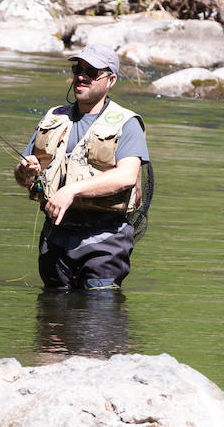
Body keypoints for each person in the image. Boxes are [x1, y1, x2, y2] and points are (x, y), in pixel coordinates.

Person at [13, 44, 151, 291]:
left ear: (111, 80)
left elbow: (127, 176)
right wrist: (24, 171)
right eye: (79, 69)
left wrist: (72, 190)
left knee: (98, 320)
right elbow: (22, 176)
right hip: (54, 239)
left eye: (92, 71)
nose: (81, 76)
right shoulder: (53, 118)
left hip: (105, 240)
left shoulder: (126, 123)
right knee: (52, 322)